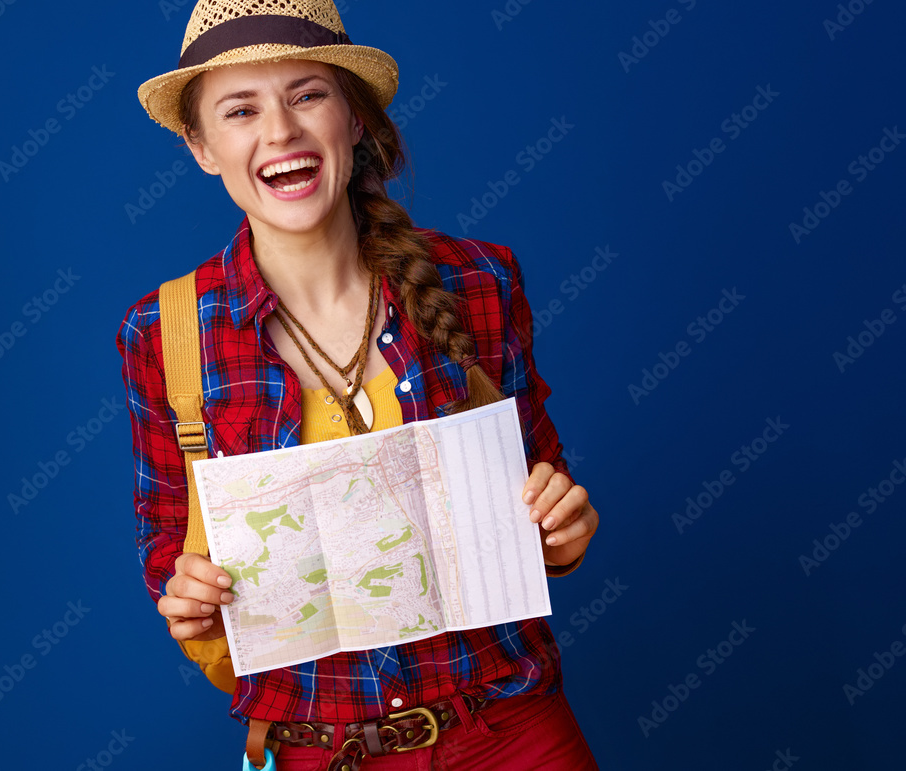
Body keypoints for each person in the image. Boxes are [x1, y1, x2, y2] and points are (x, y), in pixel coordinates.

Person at [117, 1, 600, 768]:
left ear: (352, 118)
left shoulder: (478, 280)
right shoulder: (164, 332)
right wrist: (185, 594)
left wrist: (563, 531)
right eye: (240, 110)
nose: (279, 131)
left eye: (307, 94)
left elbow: (542, 489)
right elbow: (166, 536)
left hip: (508, 728)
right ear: (202, 146)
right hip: (316, 748)